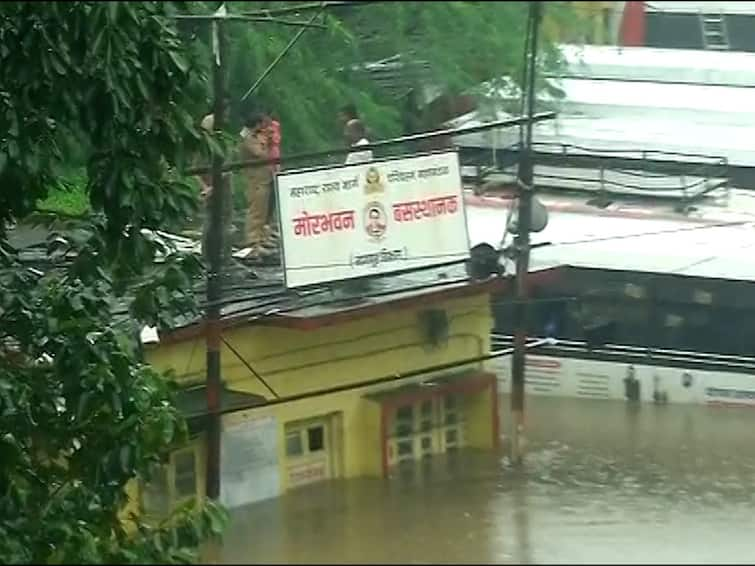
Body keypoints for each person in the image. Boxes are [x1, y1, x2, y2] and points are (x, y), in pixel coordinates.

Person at [198, 99, 234, 263]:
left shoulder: (214, 139)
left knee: (219, 219)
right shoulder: (211, 141)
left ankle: (217, 255)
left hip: (219, 184)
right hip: (216, 185)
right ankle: (218, 256)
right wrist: (208, 187)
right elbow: (198, 168)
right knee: (217, 220)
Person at [239, 111, 275, 257]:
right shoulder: (247, 138)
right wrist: (265, 141)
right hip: (255, 179)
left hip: (263, 178)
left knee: (262, 211)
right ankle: (252, 242)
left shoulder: (256, 136)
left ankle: (260, 238)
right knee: (255, 211)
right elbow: (260, 153)